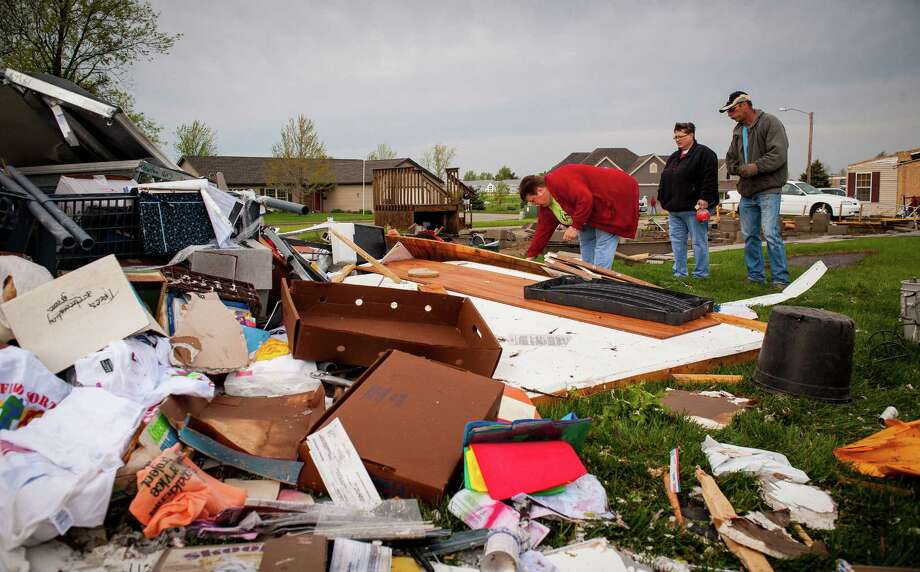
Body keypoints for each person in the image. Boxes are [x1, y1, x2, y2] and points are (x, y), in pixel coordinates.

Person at [721, 91, 790, 288]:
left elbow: (778, 154)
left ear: (744, 105)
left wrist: (754, 167)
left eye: (732, 109)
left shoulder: (770, 123)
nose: (730, 114)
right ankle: (755, 276)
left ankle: (780, 279)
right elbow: (731, 157)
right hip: (747, 192)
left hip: (768, 189)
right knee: (750, 235)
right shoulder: (738, 131)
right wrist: (735, 167)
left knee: (770, 233)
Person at [520, 164, 639, 268]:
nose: (535, 204)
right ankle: (588, 277)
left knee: (604, 240)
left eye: (533, 200)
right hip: (593, 209)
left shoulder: (559, 180)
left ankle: (599, 282)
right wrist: (530, 257)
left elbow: (585, 199)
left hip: (614, 196)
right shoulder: (547, 206)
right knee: (586, 238)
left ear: (540, 190)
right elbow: (542, 231)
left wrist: (575, 226)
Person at [658, 122, 719, 278]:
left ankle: (701, 273)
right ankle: (680, 272)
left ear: (691, 135)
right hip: (675, 209)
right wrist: (663, 199)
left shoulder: (705, 154)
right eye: (675, 137)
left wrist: (705, 198)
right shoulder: (673, 157)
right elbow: (665, 179)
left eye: (681, 136)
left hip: (694, 209)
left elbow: (709, 178)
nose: (678, 140)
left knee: (699, 242)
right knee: (677, 243)